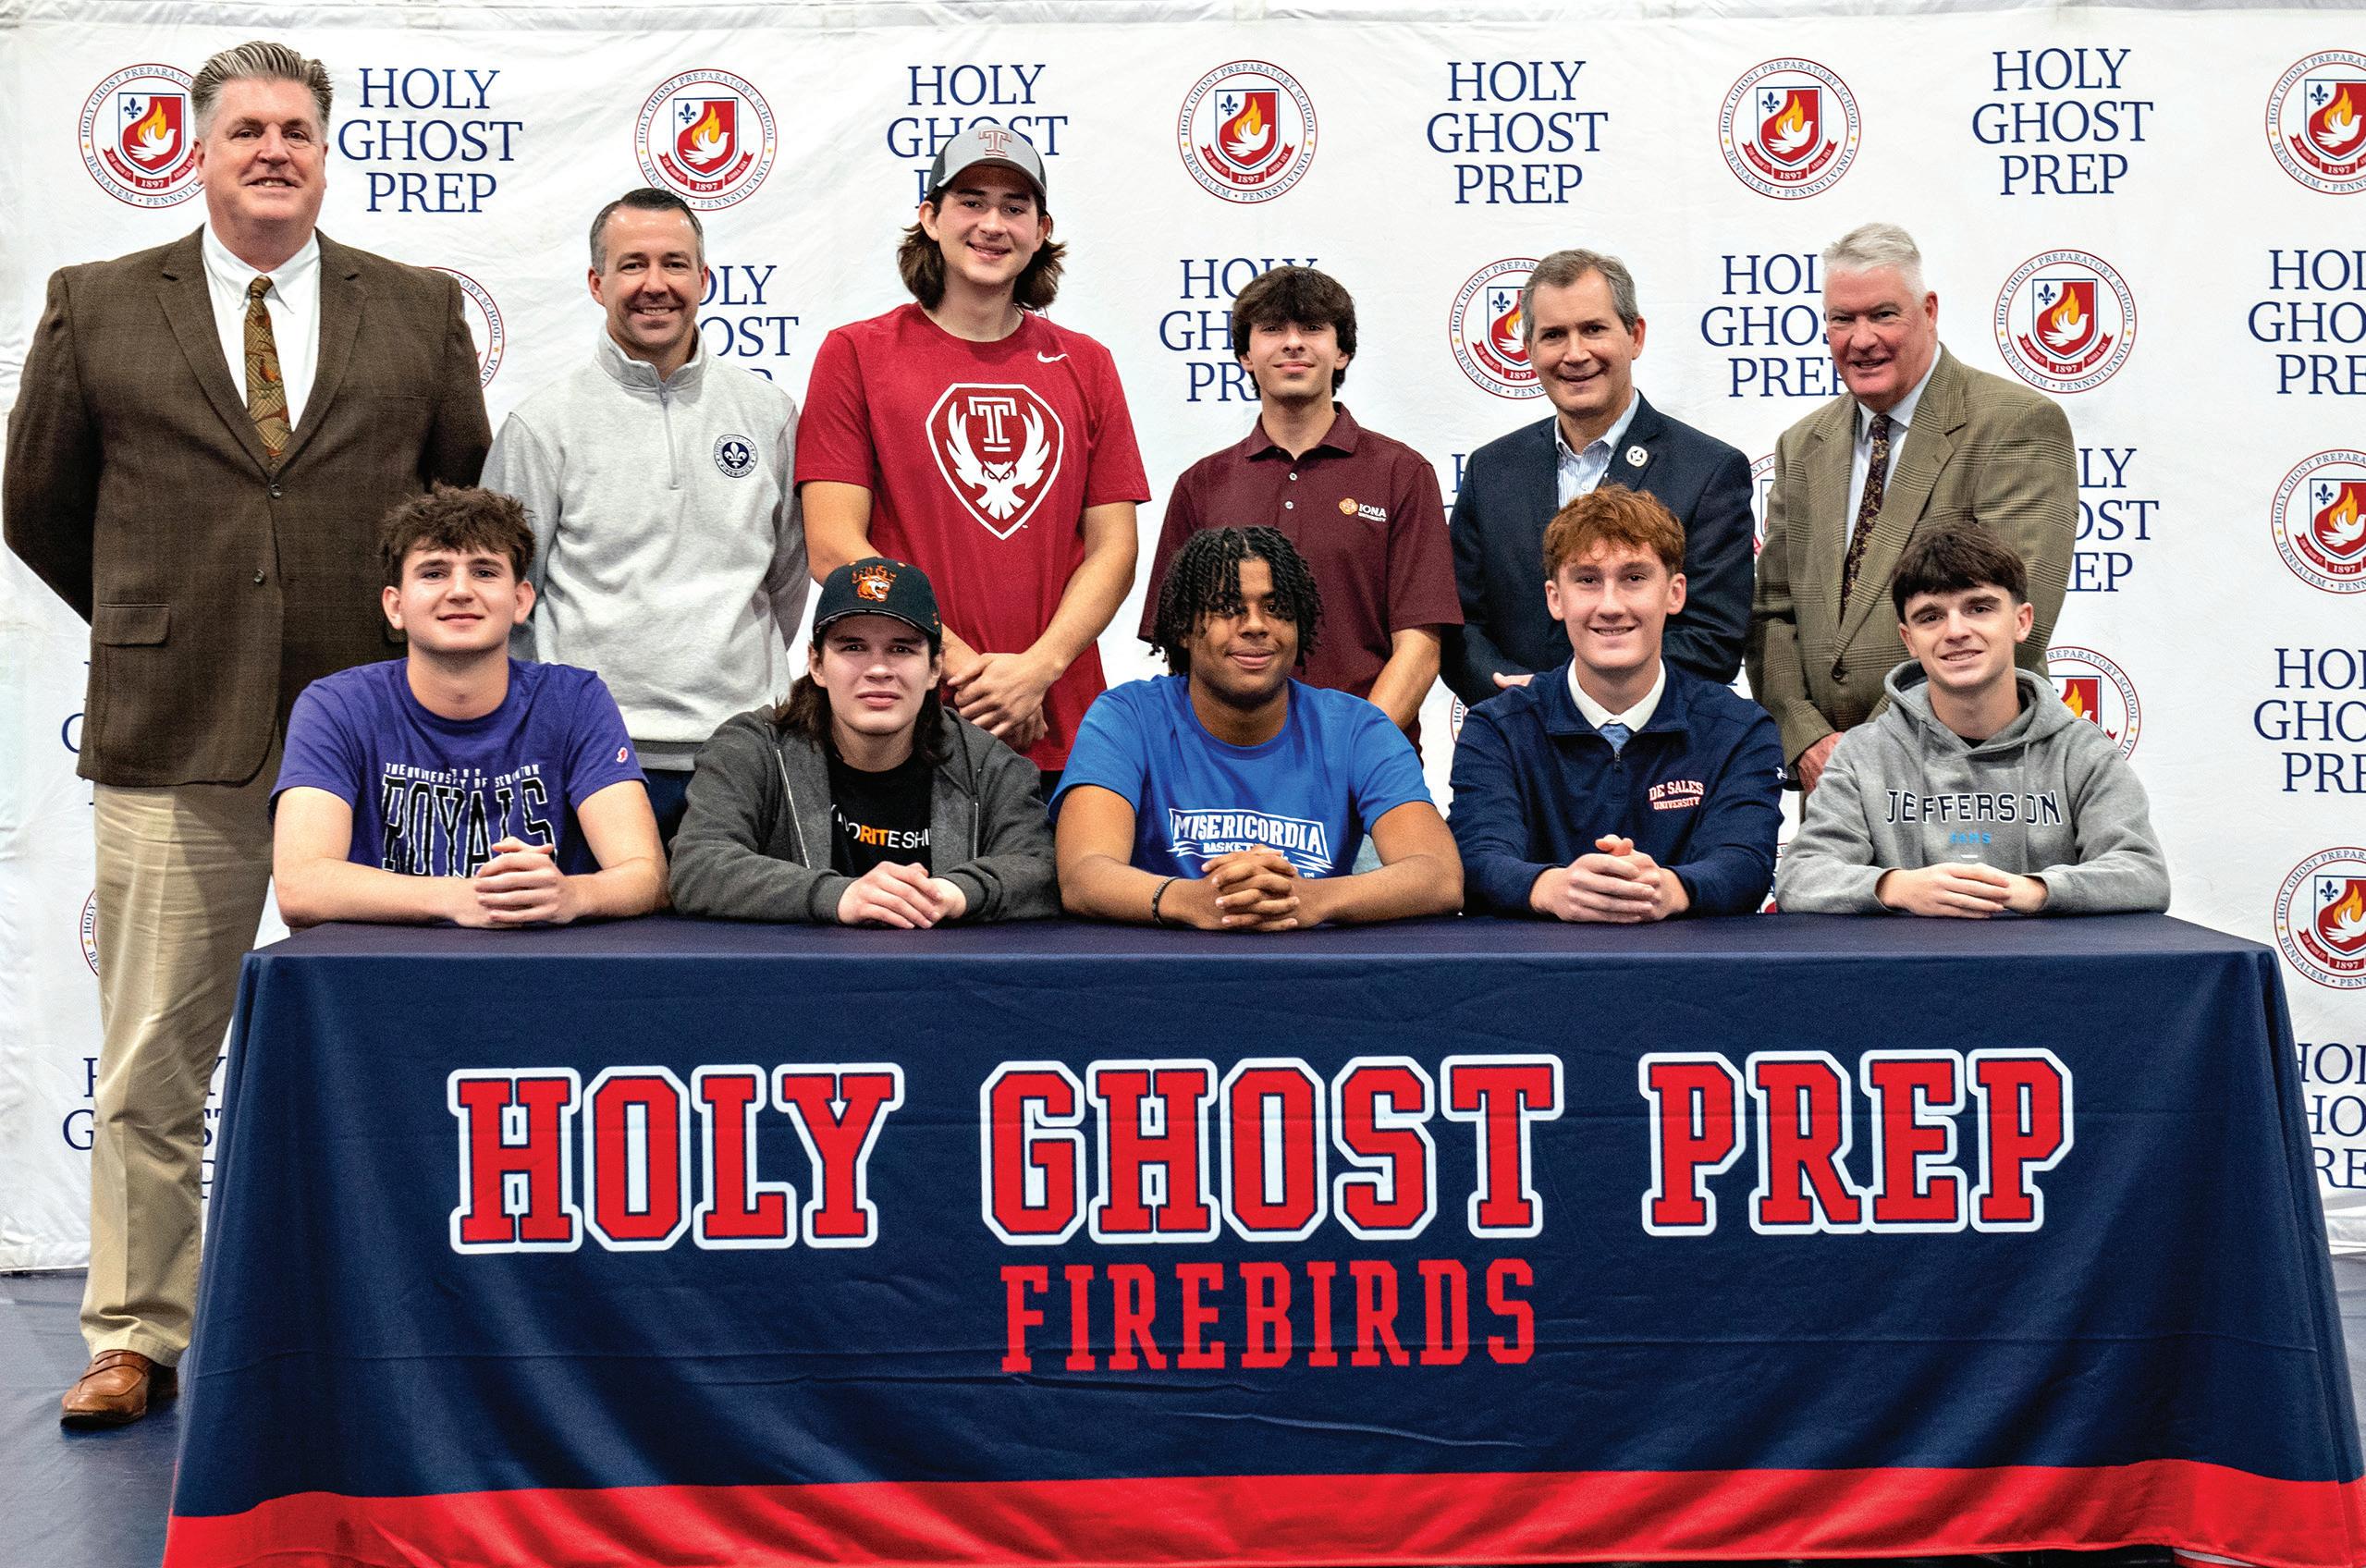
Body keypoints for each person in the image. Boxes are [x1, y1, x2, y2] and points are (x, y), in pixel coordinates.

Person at [2, 39, 491, 1427]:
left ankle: (414, 1322)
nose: (272, 150)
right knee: (154, 1056)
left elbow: (455, 498)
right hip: (173, 726)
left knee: (403, 1047)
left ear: (325, 154)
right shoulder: (99, 302)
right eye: (246, 131)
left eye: (296, 131)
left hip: (379, 738)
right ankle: (136, 1335)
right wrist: (156, 616)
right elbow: (38, 503)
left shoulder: (415, 305)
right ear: (199, 151)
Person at [797, 126, 1146, 791]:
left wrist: (1037, 670)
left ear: (1041, 231)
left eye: (1015, 207)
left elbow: (1115, 550)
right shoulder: (856, 353)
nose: (992, 224)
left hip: (1056, 724)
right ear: (930, 218)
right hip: (902, 726)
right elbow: (834, 546)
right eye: (971, 202)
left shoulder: (1088, 364)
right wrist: (962, 669)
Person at [482, 188, 806, 845]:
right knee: (600, 918)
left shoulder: (768, 413)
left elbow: (787, 579)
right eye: (632, 265)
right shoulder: (541, 426)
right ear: (596, 283)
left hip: (746, 752)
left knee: (743, 918)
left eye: (674, 264)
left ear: (704, 279)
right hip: (592, 757)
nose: (654, 285)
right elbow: (507, 600)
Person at [1747, 222, 2077, 792]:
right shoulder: (1802, 446)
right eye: (1842, 319)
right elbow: (1773, 611)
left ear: (1929, 311)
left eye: (1883, 315)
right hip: (1830, 785)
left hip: (1972, 773)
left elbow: (2013, 620)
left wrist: (1871, 748)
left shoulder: (2015, 424)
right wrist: (1803, 736)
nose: (1861, 339)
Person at [271, 485, 664, 925]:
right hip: (382, 960)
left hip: (539, 955)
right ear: (395, 607)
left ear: (521, 601)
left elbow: (647, 876)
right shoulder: (335, 706)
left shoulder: (575, 700)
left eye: (484, 572)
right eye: (434, 573)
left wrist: (574, 894)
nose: (460, 591)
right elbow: (300, 886)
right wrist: (463, 898)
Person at [1054, 527, 1462, 929]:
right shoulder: (1127, 717)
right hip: (1160, 965)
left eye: (1276, 608)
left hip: (1310, 963)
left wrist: (1307, 899)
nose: (1255, 625)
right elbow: (1083, 874)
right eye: (1227, 608)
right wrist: (1191, 901)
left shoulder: (1357, 728)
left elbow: (1439, 874)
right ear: (1183, 628)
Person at [1136, 265, 1461, 743]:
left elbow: (1420, 644)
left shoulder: (1402, 473)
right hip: (1226, 762)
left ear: (1342, 351)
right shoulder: (1201, 484)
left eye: (1312, 328)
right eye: (1272, 329)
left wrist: (1352, 752)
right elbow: (1182, 643)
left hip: (1365, 761)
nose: (1293, 343)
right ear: (1245, 355)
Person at [1775, 526, 2168, 917]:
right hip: (1909, 959)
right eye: (1931, 617)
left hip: (2042, 960)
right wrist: (1897, 888)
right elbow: (1800, 877)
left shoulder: (2082, 751)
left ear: (2022, 621)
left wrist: (2033, 891)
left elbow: (2143, 874)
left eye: (1979, 608)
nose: (1956, 631)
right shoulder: (1863, 753)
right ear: (1908, 639)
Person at [1451, 486, 1783, 922]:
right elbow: (1477, 856)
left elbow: (1745, 862)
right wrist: (1551, 887)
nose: (1610, 606)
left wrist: (1668, 888)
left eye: (1634, 578)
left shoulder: (1740, 729)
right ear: (1555, 598)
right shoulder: (1496, 729)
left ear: (1675, 593)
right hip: (1535, 964)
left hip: (1691, 964)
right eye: (1587, 580)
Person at [669, 557, 1058, 925]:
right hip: (797, 971)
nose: (878, 669)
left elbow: (1041, 866)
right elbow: (697, 866)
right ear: (816, 664)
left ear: (935, 668)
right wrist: (839, 896)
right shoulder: (752, 749)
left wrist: (954, 893)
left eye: (901, 649)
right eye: (853, 647)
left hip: (938, 970)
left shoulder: (988, 763)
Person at [1446, 248, 1754, 702]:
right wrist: (1523, 702)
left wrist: (1565, 695)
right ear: (1529, 349)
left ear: (1635, 336)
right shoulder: (1490, 471)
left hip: (1654, 739)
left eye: (1593, 329)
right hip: (1517, 732)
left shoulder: (1709, 471)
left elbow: (1714, 641)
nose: (1575, 354)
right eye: (1554, 335)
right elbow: (1459, 627)